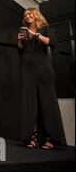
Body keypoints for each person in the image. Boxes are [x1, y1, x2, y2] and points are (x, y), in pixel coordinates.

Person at [17, 8, 66, 149]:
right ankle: (32, 137)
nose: (27, 16)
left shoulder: (44, 29)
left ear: (36, 15)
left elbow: (53, 43)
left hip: (44, 70)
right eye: (25, 15)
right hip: (27, 70)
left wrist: (35, 34)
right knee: (29, 104)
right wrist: (20, 41)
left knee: (47, 103)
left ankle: (51, 138)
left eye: (30, 14)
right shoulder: (24, 30)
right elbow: (20, 49)